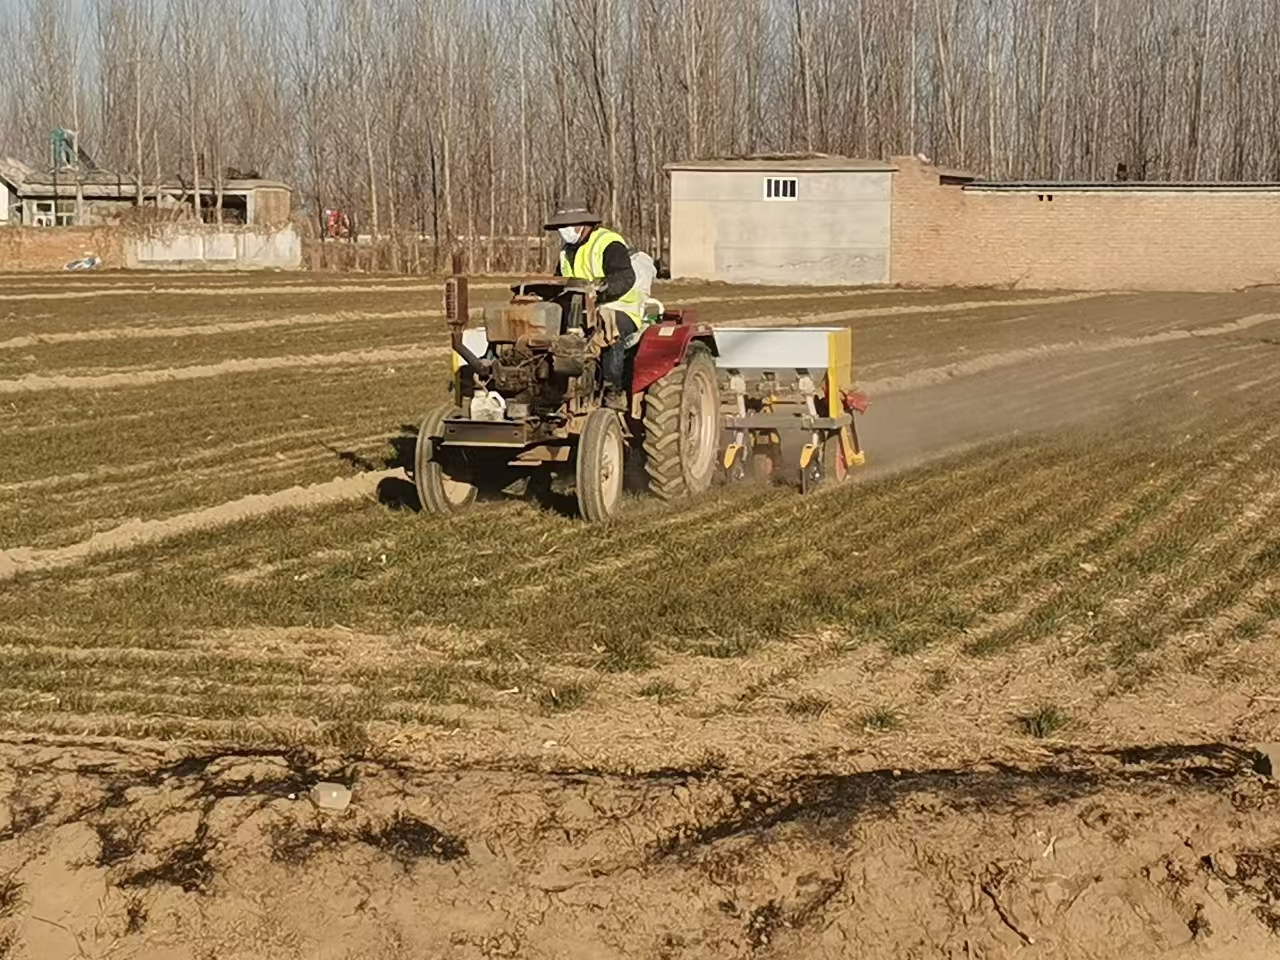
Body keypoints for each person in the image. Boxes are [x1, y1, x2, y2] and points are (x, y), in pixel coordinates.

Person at [544, 200, 645, 409]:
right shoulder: (566, 251)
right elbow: (559, 281)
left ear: (582, 224)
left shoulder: (608, 243)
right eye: (560, 228)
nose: (562, 232)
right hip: (579, 311)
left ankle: (612, 390)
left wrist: (598, 292)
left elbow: (625, 277)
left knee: (608, 331)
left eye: (565, 227)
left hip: (618, 307)